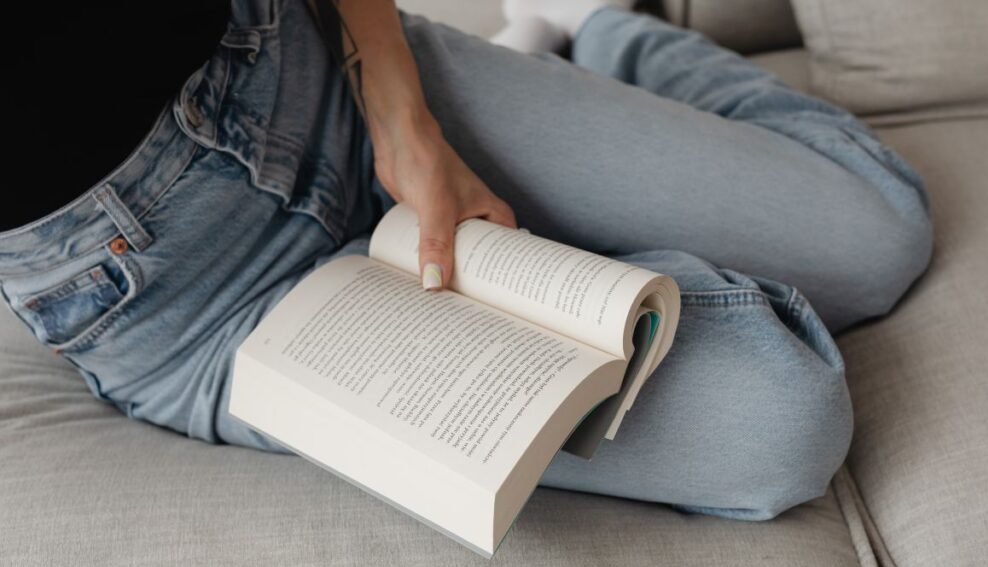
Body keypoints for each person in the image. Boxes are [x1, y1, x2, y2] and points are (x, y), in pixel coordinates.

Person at [0, 0, 931, 521]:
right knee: (781, 427)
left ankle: (601, 24)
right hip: (185, 302)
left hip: (306, 70)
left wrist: (400, 112)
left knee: (878, 239)